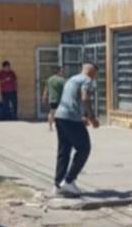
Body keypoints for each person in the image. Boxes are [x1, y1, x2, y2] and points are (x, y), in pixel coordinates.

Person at [53, 63, 100, 196]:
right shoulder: (87, 80)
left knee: (64, 150)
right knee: (84, 148)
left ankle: (58, 184)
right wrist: (92, 117)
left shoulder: (72, 79)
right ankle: (69, 180)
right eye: (96, 74)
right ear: (92, 71)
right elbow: (84, 98)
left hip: (60, 116)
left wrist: (80, 118)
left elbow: (71, 100)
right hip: (70, 119)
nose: (95, 77)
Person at [40, 66, 66, 131]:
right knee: (61, 114)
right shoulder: (62, 80)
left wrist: (44, 97)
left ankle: (50, 127)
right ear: (58, 71)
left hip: (52, 99)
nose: (63, 72)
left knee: (51, 113)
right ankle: (60, 127)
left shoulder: (49, 79)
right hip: (60, 99)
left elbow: (46, 89)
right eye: (62, 71)